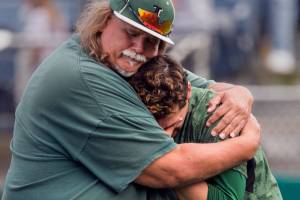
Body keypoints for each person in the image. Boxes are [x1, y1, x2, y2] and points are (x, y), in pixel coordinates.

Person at [2, 0, 259, 199]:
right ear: (105, 21)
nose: (138, 48)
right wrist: (248, 144)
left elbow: (213, 89)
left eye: (151, 41)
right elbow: (170, 169)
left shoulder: (122, 61)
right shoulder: (80, 75)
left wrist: (241, 94)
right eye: (130, 32)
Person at [129, 55, 282, 200]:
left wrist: (165, 169)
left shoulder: (220, 115)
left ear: (188, 91)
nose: (165, 135)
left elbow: (227, 198)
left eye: (172, 126)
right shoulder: (130, 95)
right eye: (156, 125)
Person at [14, 0, 69, 104]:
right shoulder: (54, 13)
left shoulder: (40, 15)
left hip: (41, 67)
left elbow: (35, 46)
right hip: (53, 66)